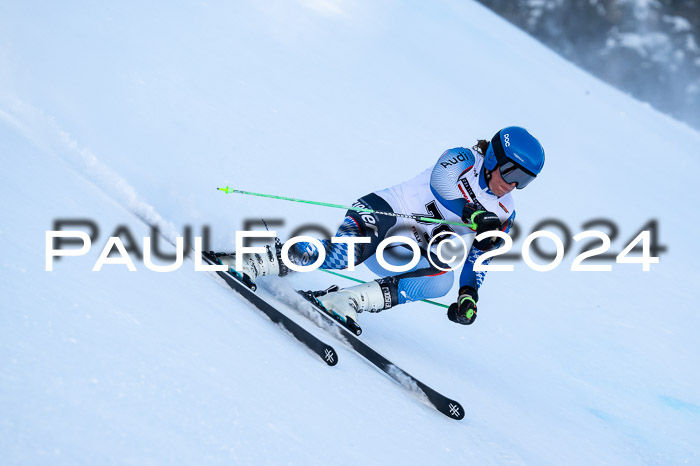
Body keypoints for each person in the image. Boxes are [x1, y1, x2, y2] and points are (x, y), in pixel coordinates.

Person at [216, 126, 545, 326]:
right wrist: (471, 213)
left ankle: (347, 302)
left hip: (406, 249)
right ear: (492, 160)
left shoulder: (505, 212)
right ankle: (256, 260)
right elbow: (440, 182)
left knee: (442, 280)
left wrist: (469, 293)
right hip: (386, 213)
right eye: (511, 173)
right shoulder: (464, 159)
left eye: (524, 181)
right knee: (344, 255)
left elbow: (478, 258)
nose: (513, 186)